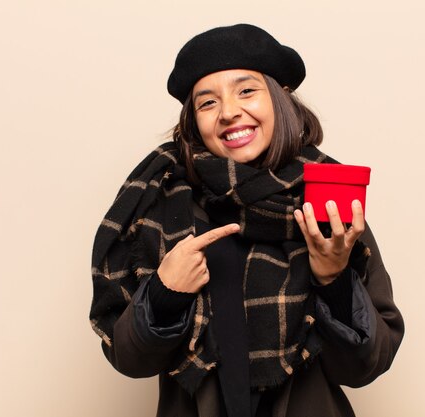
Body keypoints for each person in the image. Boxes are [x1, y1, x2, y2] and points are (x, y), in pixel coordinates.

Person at [90, 23, 404, 417]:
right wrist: (164, 292)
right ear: (193, 121)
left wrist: (334, 279)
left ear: (280, 98)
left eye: (246, 91)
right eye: (207, 103)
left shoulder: (324, 200)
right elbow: (130, 360)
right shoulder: (163, 201)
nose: (229, 112)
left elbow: (365, 367)